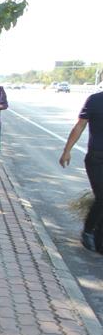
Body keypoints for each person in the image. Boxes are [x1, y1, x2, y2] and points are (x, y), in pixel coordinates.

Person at [59, 91, 103, 253]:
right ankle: (88, 231)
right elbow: (80, 125)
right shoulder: (95, 100)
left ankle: (99, 237)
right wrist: (67, 150)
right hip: (97, 158)